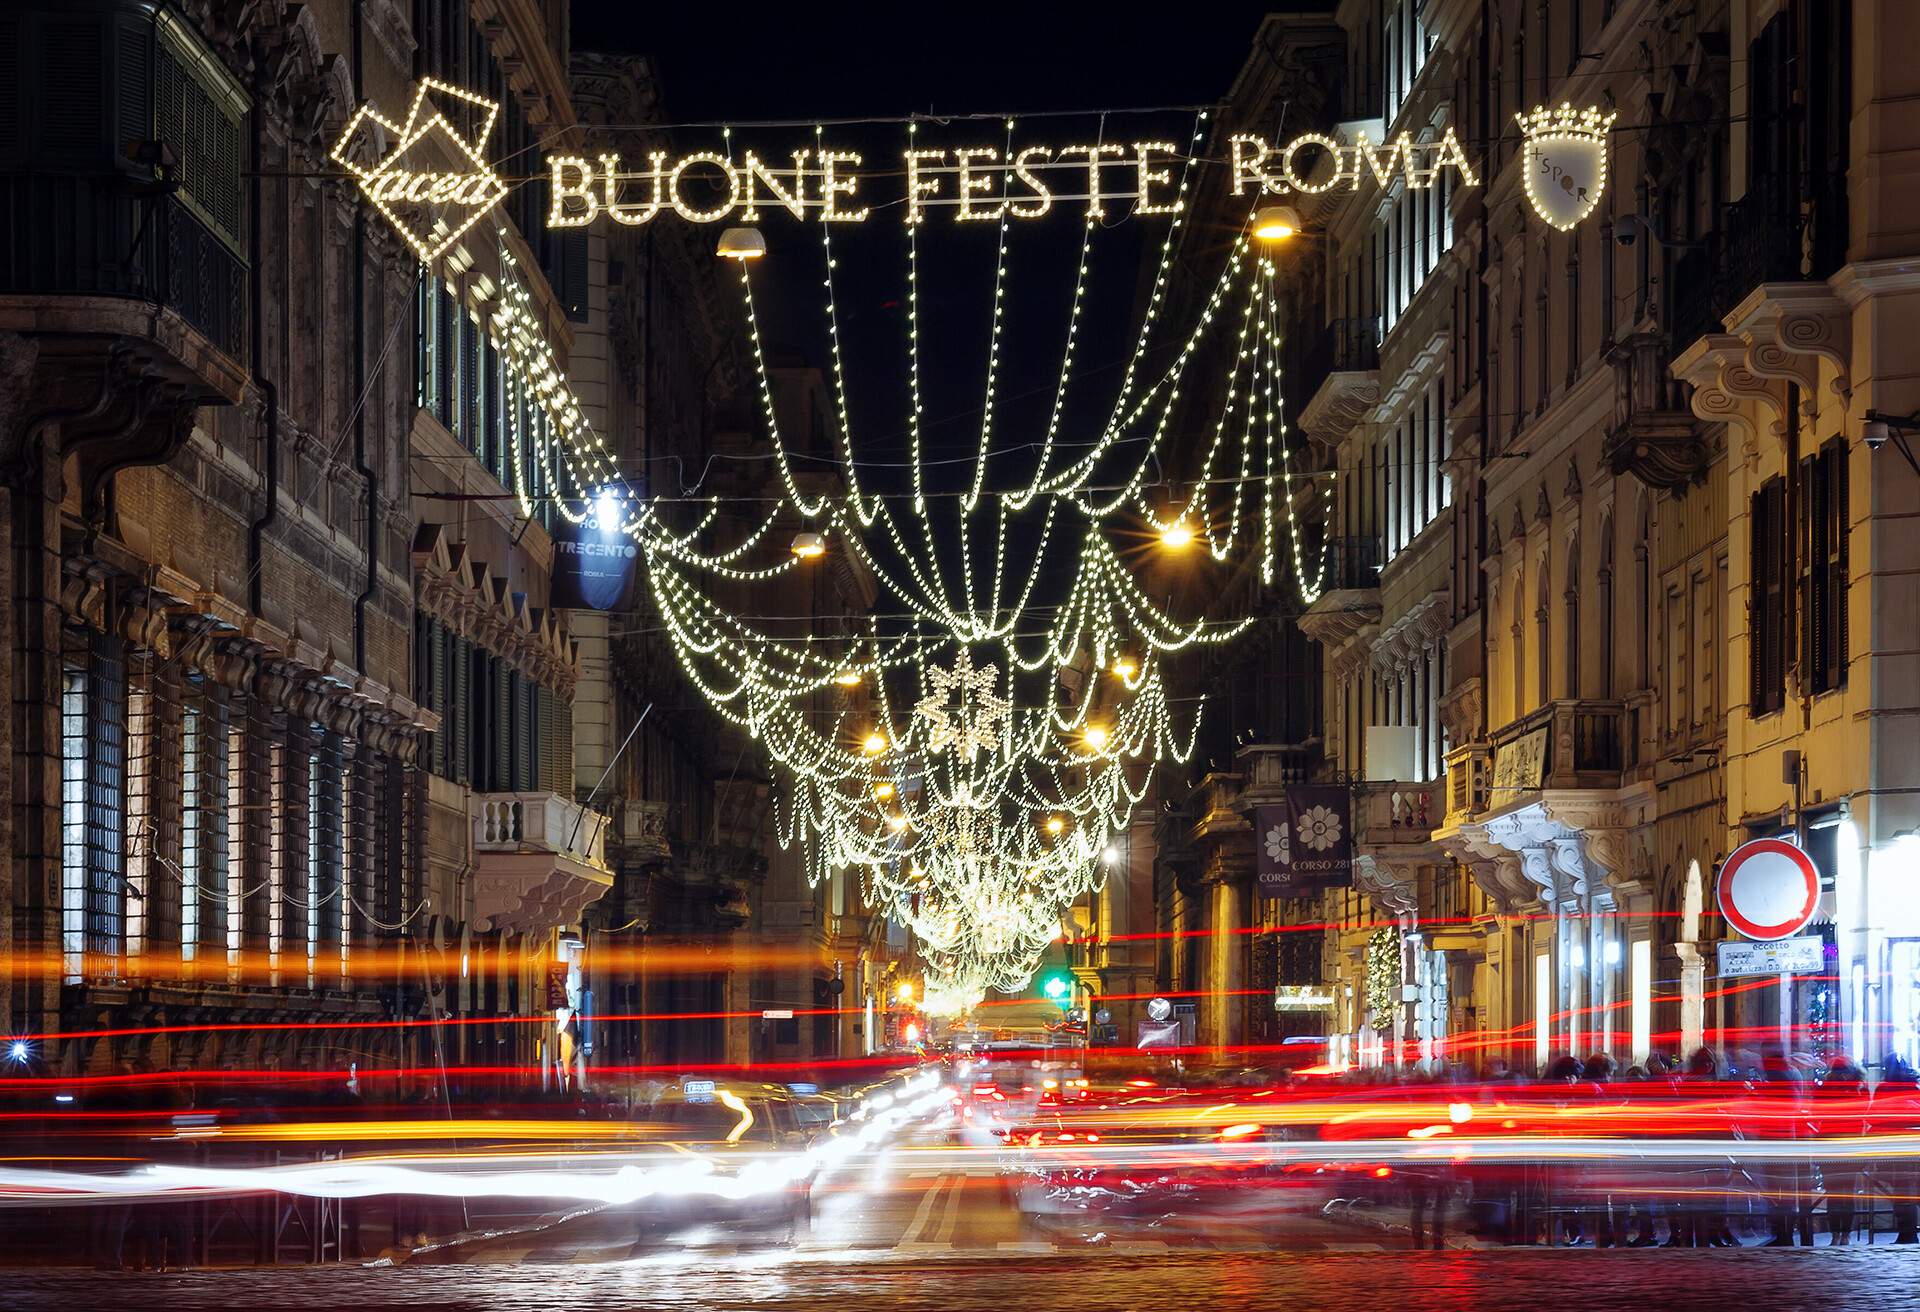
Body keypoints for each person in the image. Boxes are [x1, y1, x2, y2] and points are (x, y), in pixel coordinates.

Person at [1817, 1059, 1870, 1245]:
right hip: (1849, 1145)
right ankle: (1842, 1235)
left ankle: (1839, 1235)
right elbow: (1864, 1113)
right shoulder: (1860, 1088)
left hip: (1831, 1145)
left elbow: (1818, 1114)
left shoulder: (1825, 1089)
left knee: (1835, 1193)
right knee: (1845, 1193)